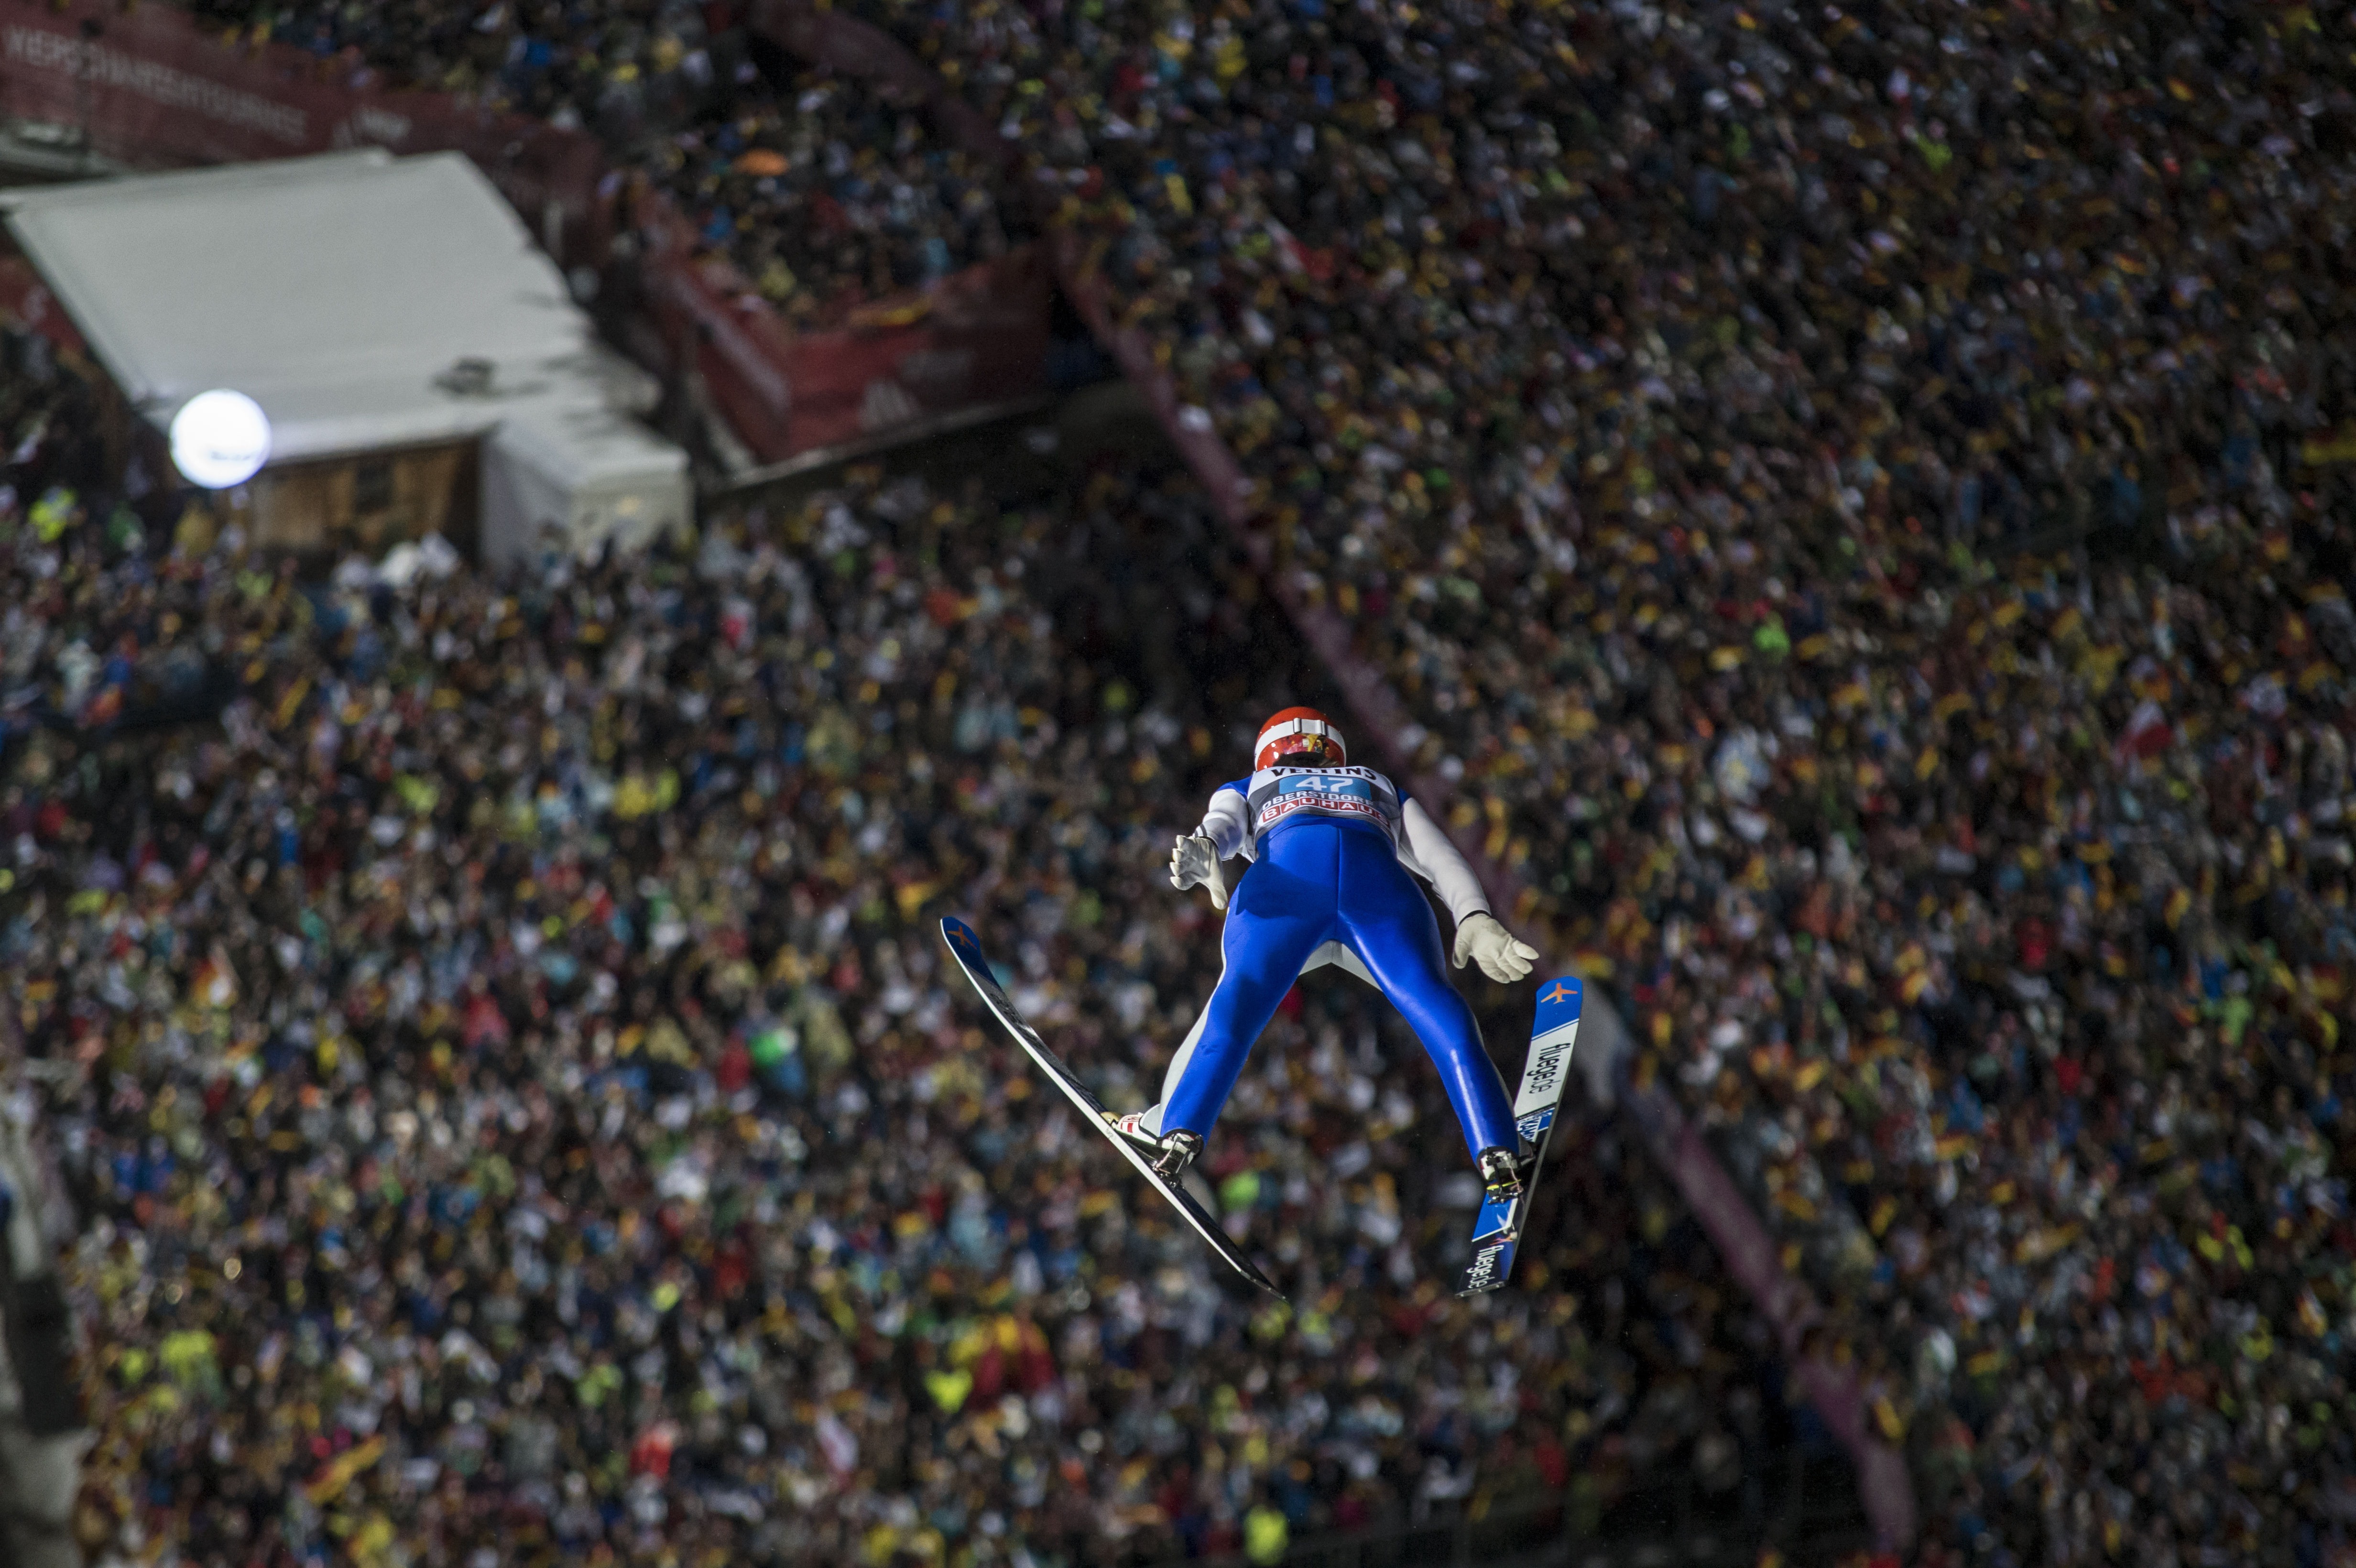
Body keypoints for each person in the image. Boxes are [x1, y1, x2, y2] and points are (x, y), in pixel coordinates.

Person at [1113, 706, 1541, 1195]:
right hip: (1378, 896)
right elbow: (1437, 856)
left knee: (1236, 1000)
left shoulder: (1250, 784)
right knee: (1437, 1008)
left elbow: (1223, 825)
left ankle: (1175, 1128)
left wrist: (1207, 847)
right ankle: (1498, 1145)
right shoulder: (1377, 784)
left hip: (1285, 889)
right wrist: (1472, 915)